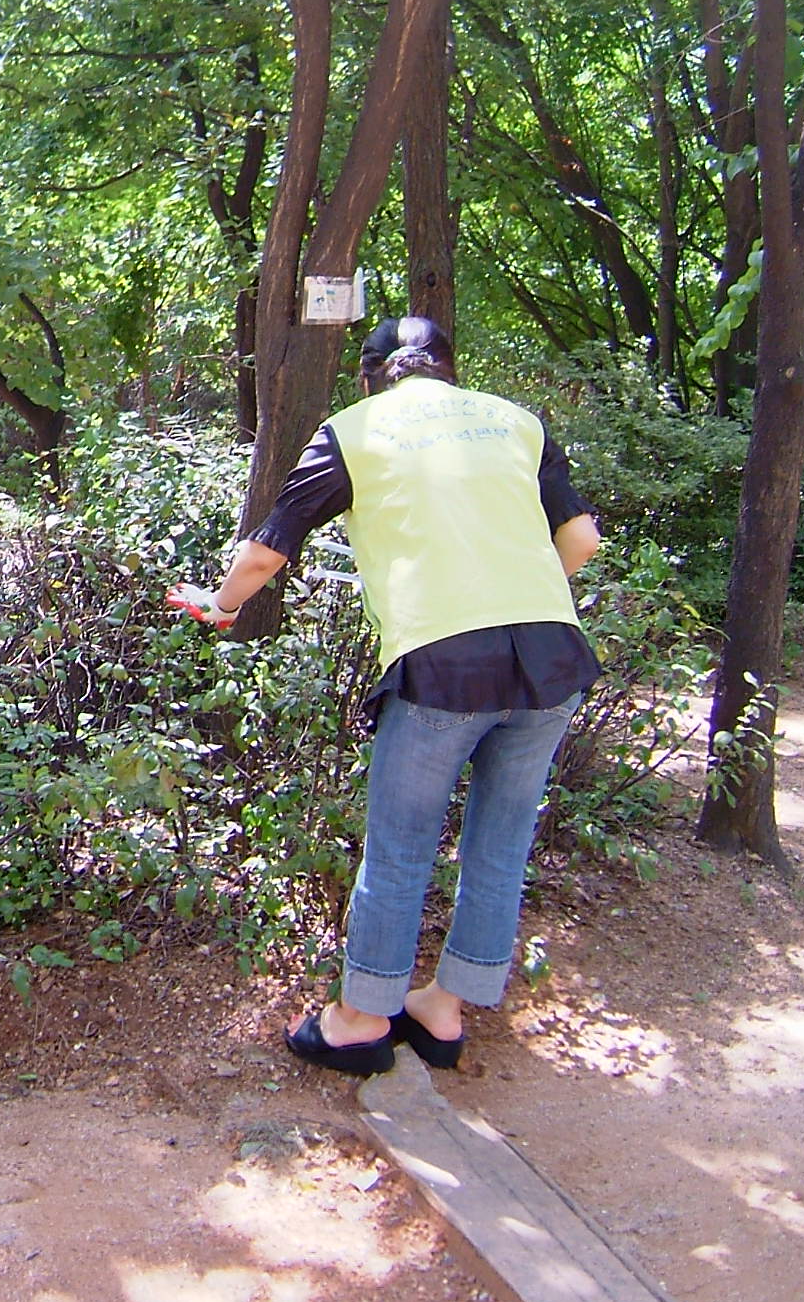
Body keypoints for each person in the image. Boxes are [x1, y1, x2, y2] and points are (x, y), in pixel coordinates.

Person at [195, 317, 601, 1075]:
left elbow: (264, 553)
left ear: (370, 374)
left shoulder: (354, 430)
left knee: (401, 844)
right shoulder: (515, 422)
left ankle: (358, 1020)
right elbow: (580, 542)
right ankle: (443, 1010)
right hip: (553, 656)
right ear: (451, 369)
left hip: (445, 664)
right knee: (503, 839)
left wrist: (220, 607)